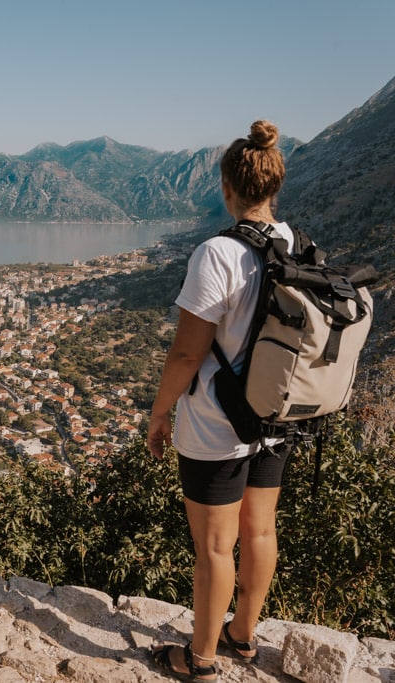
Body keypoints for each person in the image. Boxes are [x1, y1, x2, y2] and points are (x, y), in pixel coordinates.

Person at [146, 120, 293, 682]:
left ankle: (200, 659)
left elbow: (187, 355)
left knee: (213, 546)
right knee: (259, 531)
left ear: (227, 189)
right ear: (273, 188)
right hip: (278, 418)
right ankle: (243, 636)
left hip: (217, 425)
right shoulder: (295, 243)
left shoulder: (218, 252)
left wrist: (160, 414)